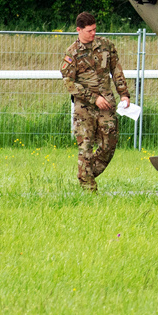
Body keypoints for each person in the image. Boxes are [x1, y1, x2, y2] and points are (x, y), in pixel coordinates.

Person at [61, 12, 130, 191]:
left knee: (109, 144)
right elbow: (69, 83)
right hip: (84, 106)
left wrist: (124, 94)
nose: (93, 34)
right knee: (86, 145)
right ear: (79, 30)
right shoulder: (72, 53)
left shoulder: (106, 45)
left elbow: (116, 69)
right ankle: (89, 189)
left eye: (95, 30)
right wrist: (93, 98)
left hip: (106, 103)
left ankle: (85, 173)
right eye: (89, 30)